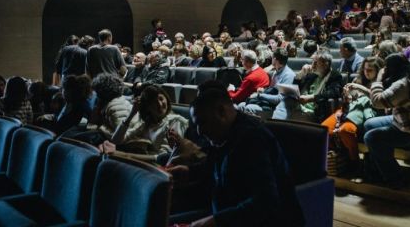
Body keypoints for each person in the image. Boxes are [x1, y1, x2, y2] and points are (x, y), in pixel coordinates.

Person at [166, 83, 305, 226]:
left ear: (221, 112)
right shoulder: (222, 135)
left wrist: (215, 222)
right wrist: (189, 172)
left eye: (202, 123)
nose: (200, 131)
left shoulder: (252, 138)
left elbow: (265, 202)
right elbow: (215, 167)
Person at [363, 53, 410, 187]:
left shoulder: (402, 85)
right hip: (403, 121)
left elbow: (377, 102)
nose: (385, 70)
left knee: (371, 138)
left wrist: (379, 78)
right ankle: (377, 167)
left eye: (387, 67)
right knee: (369, 124)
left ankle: (395, 177)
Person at [321, 57, 382, 168]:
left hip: (365, 112)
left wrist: (361, 89)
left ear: (377, 71)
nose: (366, 72)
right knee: (324, 129)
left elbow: (379, 102)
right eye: (365, 69)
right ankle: (342, 157)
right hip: (349, 109)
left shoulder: (381, 83)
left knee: (346, 130)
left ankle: (354, 162)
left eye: (370, 70)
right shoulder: (358, 80)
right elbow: (348, 100)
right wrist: (347, 96)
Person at [104, 85, 188, 162]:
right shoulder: (147, 123)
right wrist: (131, 114)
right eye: (154, 102)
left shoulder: (176, 121)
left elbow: (164, 157)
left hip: (156, 167)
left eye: (161, 99)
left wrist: (126, 155)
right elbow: (116, 140)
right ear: (147, 107)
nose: (159, 104)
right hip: (142, 162)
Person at [295, 50, 343, 122]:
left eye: (316, 62)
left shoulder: (334, 76)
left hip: (315, 110)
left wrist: (311, 98)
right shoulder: (312, 75)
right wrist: (300, 74)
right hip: (299, 106)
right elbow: (295, 87)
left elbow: (333, 92)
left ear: (326, 64)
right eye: (313, 62)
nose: (313, 65)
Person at [91, 73, 137, 141]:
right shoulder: (117, 100)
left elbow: (121, 137)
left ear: (102, 92)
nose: (96, 95)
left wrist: (102, 128)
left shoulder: (115, 107)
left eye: (97, 92)